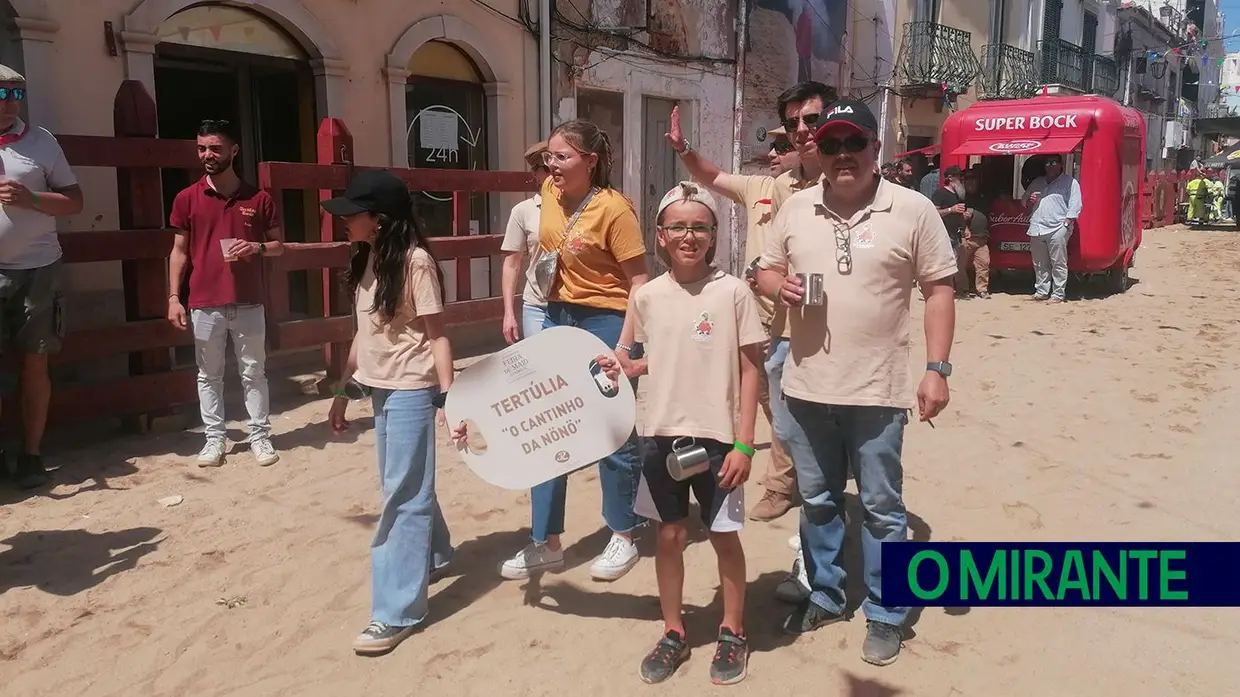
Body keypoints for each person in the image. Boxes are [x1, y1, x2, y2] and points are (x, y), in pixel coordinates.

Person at [754, 99, 958, 666]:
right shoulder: (796, 209)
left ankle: (888, 612)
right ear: (817, 151)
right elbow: (764, 268)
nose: (843, 155)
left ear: (876, 148)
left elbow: (939, 288)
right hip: (805, 386)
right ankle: (824, 591)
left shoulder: (913, 209)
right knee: (817, 500)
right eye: (832, 144)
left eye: (855, 143)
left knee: (882, 508)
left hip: (878, 390)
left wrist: (937, 370)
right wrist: (778, 286)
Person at [606, 182, 764, 686]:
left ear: (714, 235)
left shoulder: (734, 292)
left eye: (700, 226)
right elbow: (629, 355)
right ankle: (674, 631)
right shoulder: (645, 296)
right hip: (660, 436)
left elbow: (749, 370)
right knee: (669, 536)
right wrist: (622, 366)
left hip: (719, 439)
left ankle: (732, 629)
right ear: (660, 234)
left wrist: (744, 443)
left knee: (723, 536)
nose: (688, 235)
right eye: (678, 226)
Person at [667, 80, 837, 523]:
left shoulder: (831, 186)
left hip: (799, 320)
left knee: (786, 412)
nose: (787, 143)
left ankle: (782, 486)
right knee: (766, 404)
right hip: (756, 321)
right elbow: (710, 176)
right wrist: (684, 148)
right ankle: (797, 474)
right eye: (787, 130)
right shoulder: (767, 186)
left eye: (807, 125)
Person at [498, 119, 651, 582]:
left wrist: (624, 348)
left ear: (591, 160)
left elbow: (639, 284)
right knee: (550, 428)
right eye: (550, 156)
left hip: (607, 321)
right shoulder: (547, 191)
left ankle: (622, 534)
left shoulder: (615, 209)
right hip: (558, 316)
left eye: (562, 156)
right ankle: (546, 541)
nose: (552, 164)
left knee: (611, 431)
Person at [322, 169, 459, 656]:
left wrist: (448, 397)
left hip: (410, 389)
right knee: (404, 483)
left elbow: (437, 333)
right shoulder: (367, 256)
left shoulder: (416, 263)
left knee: (402, 493)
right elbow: (364, 332)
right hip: (379, 387)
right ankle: (436, 554)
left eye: (351, 215)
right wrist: (343, 389)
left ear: (377, 219)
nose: (343, 222)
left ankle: (396, 611)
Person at [167, 119, 283, 467]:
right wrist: (174, 297)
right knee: (208, 374)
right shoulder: (186, 198)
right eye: (202, 147)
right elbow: (179, 251)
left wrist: (256, 248)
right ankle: (214, 439)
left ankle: (260, 436)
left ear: (234, 150)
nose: (207, 155)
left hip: (248, 300)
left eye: (215, 148)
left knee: (254, 372)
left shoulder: (259, 199)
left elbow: (279, 245)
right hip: (203, 301)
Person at [0, 63, 84, 489]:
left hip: (37, 270)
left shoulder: (40, 142)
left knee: (35, 363)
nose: (10, 103)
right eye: (1, 94)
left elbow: (74, 202)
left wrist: (31, 198)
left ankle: (31, 454)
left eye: (16, 94)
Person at [500, 142, 551, 343]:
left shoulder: (582, 207)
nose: (553, 173)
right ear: (535, 174)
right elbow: (511, 264)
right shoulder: (523, 211)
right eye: (545, 169)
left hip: (575, 305)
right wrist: (508, 314)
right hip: (537, 304)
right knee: (541, 371)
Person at [1023, 154, 1082, 303]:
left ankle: (1058, 294)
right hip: (1037, 226)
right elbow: (1024, 201)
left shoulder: (1070, 182)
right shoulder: (1037, 182)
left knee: (1058, 262)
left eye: (1053, 162)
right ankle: (1042, 291)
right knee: (1039, 262)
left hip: (1058, 227)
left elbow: (1076, 204)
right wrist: (1029, 200)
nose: (1050, 165)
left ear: (1060, 164)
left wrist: (1067, 223)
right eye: (1047, 163)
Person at [930, 166, 968, 298]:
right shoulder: (940, 193)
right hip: (943, 233)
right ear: (950, 178)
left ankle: (956, 290)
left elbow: (960, 213)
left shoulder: (959, 194)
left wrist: (965, 228)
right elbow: (933, 212)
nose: (961, 179)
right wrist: (951, 210)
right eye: (958, 176)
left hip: (955, 233)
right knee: (946, 263)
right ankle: (945, 291)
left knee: (957, 263)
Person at [958, 171, 992, 299]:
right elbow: (954, 215)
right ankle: (963, 289)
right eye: (968, 179)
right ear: (963, 181)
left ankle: (982, 289)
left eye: (974, 179)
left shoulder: (984, 196)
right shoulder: (961, 197)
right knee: (960, 266)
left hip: (982, 238)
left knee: (983, 265)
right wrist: (963, 217)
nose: (971, 182)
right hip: (965, 237)